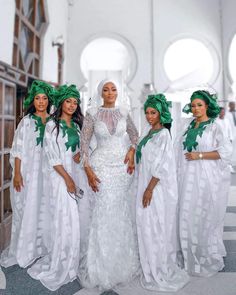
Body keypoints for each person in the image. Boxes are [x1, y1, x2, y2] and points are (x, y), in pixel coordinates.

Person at [78, 79, 140, 291]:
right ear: (100, 92)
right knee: (103, 210)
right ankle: (100, 266)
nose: (110, 92)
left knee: (119, 211)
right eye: (106, 89)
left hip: (122, 168)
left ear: (118, 92)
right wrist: (87, 169)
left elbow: (135, 135)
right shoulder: (92, 113)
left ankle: (121, 264)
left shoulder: (124, 111)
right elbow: (84, 144)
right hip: (101, 166)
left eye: (114, 89)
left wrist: (132, 151)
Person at [27, 84, 85, 291]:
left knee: (74, 219)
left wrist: (79, 157)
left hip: (74, 174)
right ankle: (61, 261)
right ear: (61, 103)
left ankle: (70, 259)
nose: (71, 105)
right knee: (63, 217)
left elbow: (77, 152)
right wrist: (68, 179)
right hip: (59, 176)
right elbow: (52, 157)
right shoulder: (52, 126)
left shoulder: (77, 127)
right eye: (68, 101)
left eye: (75, 102)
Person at [176, 90, 232, 277]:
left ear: (207, 106)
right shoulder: (186, 125)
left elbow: (225, 153)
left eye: (199, 105)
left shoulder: (216, 127)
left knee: (204, 215)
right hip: (185, 176)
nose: (196, 108)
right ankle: (188, 254)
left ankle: (204, 254)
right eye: (193, 105)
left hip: (206, 178)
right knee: (187, 214)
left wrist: (199, 155)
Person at [135, 94, 189, 292]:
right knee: (145, 224)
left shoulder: (164, 135)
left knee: (156, 225)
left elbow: (163, 165)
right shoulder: (148, 133)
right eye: (147, 112)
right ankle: (149, 263)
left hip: (156, 189)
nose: (149, 116)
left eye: (153, 113)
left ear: (161, 114)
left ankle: (158, 265)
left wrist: (149, 189)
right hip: (144, 184)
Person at [0, 80, 53, 268]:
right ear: (33, 100)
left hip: (47, 173)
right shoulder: (27, 122)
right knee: (28, 205)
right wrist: (17, 174)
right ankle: (27, 247)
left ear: (49, 100)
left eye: (44, 98)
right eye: (37, 98)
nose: (41, 102)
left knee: (45, 206)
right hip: (29, 172)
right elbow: (18, 149)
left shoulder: (54, 121)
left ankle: (44, 247)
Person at [225, 101, 236, 166]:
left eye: (234, 105)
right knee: (230, 148)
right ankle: (231, 162)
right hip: (230, 132)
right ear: (229, 106)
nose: (233, 106)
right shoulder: (226, 114)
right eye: (232, 105)